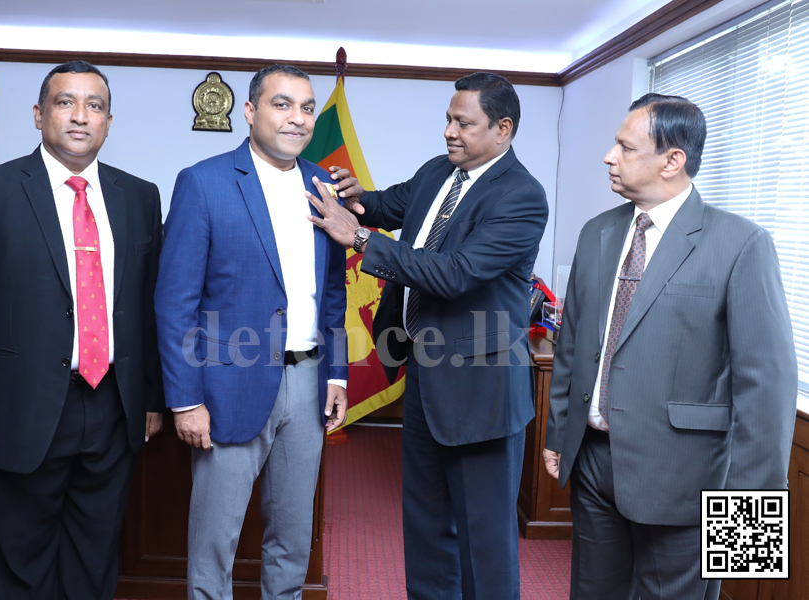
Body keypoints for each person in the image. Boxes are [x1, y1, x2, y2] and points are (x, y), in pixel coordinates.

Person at [542, 94, 797, 600]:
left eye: (625, 146)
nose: (608, 156)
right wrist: (558, 431)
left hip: (690, 478)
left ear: (672, 160)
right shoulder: (597, 234)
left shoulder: (742, 243)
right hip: (594, 463)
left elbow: (766, 383)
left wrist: (748, 524)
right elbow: (573, 344)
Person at [0, 61, 165, 599]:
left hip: (112, 409)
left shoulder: (139, 198)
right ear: (39, 115)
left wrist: (151, 396)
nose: (80, 116)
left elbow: (146, 309)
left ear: (108, 122)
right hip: (19, 410)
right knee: (22, 563)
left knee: (94, 556)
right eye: (65, 102)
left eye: (95, 106)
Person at [307, 71, 548, 600]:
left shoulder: (522, 196)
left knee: (483, 542)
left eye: (464, 123)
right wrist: (353, 199)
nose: (448, 132)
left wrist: (361, 238)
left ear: (503, 129)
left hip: (481, 391)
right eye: (447, 118)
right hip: (423, 374)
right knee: (425, 526)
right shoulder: (439, 171)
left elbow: (454, 272)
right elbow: (387, 204)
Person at [154, 64, 349, 600]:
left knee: (291, 538)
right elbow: (175, 304)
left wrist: (337, 375)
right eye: (282, 104)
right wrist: (185, 399)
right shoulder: (204, 182)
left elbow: (332, 291)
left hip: (307, 387)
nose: (298, 118)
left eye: (306, 108)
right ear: (249, 111)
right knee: (215, 542)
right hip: (226, 387)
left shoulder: (322, 184)